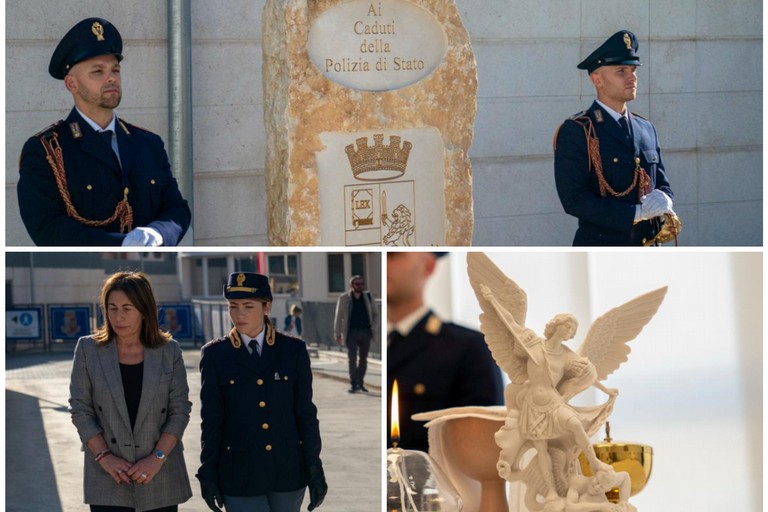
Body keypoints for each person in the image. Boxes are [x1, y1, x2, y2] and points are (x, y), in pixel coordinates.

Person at [17, 17, 191, 246]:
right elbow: (47, 227)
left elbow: (176, 209)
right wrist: (120, 244)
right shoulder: (46, 150)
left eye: (115, 70)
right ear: (72, 84)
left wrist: (157, 234)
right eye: (97, 71)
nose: (111, 77)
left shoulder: (148, 143)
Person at [197, 272, 327, 512]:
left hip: (287, 470)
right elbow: (212, 420)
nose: (239, 314)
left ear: (267, 306)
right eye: (233, 306)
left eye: (248, 306)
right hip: (239, 473)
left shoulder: (292, 350)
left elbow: (305, 415)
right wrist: (208, 472)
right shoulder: (216, 355)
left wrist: (314, 468)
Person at [69, 272, 192, 512]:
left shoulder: (169, 351)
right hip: (108, 476)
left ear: (145, 310)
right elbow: (80, 410)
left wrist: (156, 458)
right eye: (112, 308)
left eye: (127, 308)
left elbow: (180, 411)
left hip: (160, 475)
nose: (118, 316)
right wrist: (105, 457)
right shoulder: (88, 349)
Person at [554, 30, 675, 246]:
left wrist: (665, 198)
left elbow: (663, 184)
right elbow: (573, 200)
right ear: (597, 79)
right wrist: (634, 213)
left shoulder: (646, 128)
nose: (632, 77)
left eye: (633, 70)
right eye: (621, 71)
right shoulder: (578, 130)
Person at [386, 252, 503, 451]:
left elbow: (482, 450)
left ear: (428, 266)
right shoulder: (370, 339)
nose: (384, 263)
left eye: (393, 255)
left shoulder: (468, 348)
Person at [334, 275, 379, 393]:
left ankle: (360, 382)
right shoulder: (344, 298)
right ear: (351, 285)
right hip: (351, 332)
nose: (360, 286)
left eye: (361, 283)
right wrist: (337, 333)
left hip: (365, 331)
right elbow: (338, 317)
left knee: (363, 359)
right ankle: (354, 383)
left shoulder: (368, 297)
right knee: (352, 358)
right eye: (357, 284)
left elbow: (376, 314)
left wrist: (373, 327)